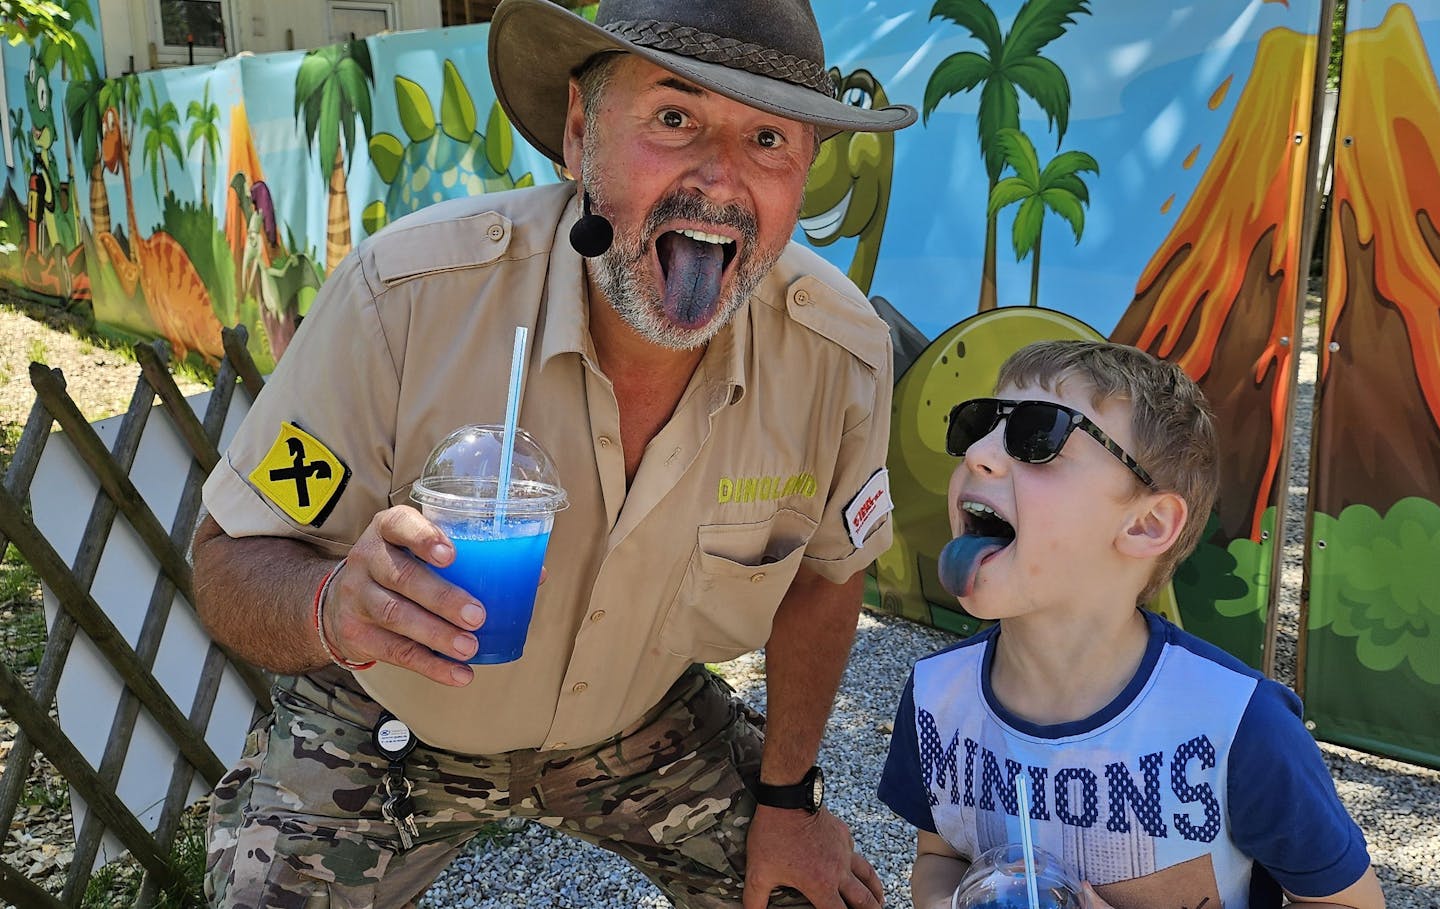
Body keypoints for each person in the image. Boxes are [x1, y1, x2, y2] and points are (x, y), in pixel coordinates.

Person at [190, 1, 915, 907]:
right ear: (580, 132)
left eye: (769, 137)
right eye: (674, 117)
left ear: (805, 170)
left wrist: (790, 798)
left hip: (638, 723)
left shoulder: (836, 353)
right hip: (392, 718)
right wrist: (335, 604)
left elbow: (826, 576)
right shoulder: (404, 301)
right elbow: (228, 559)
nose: (721, 180)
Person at [876, 341, 1385, 909]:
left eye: (1038, 437)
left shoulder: (1239, 725)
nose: (980, 455)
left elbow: (1348, 902)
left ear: (1145, 525)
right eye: (979, 426)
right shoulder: (935, 699)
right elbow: (939, 857)